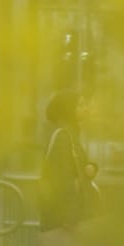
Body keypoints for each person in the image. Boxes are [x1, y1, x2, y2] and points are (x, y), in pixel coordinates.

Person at [39, 90, 96, 230]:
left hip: (67, 214)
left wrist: (91, 167)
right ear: (69, 109)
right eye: (81, 105)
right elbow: (64, 180)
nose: (86, 108)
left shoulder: (70, 133)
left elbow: (76, 167)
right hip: (63, 219)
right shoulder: (63, 136)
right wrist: (70, 217)